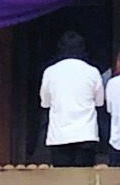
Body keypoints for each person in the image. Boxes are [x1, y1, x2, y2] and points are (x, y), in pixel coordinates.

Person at [39, 37, 105, 167]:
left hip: (59, 135)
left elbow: (45, 103)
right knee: (85, 182)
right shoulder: (92, 71)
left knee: (62, 183)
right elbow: (99, 102)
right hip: (86, 134)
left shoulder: (50, 72)